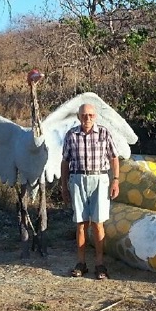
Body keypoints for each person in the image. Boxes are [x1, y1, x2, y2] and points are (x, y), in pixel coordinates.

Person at [61, 103, 120, 280]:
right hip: (78, 179)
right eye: (84, 115)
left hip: (100, 179)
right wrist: (64, 186)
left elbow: (114, 158)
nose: (88, 118)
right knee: (81, 223)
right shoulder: (71, 135)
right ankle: (81, 263)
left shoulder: (104, 133)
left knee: (98, 222)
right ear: (79, 117)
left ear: (95, 116)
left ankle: (100, 264)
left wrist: (115, 180)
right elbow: (65, 162)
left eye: (91, 115)